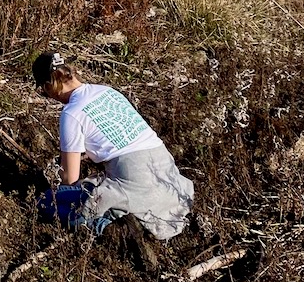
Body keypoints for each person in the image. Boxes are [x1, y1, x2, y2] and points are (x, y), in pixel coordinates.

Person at [32, 52, 193, 245]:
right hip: (169, 179)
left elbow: (70, 179)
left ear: (50, 85)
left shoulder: (72, 114)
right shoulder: (108, 92)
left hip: (136, 181)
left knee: (46, 201)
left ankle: (110, 226)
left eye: (43, 90)